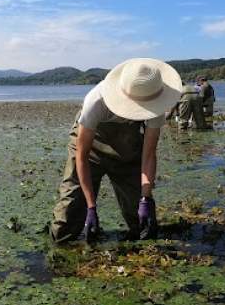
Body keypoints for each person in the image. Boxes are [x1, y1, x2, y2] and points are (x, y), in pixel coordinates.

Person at [50, 58, 183, 243]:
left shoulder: (155, 104)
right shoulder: (96, 101)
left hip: (127, 148)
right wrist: (90, 207)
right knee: (68, 215)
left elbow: (149, 154)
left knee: (141, 222)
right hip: (90, 146)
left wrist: (146, 197)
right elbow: (81, 155)